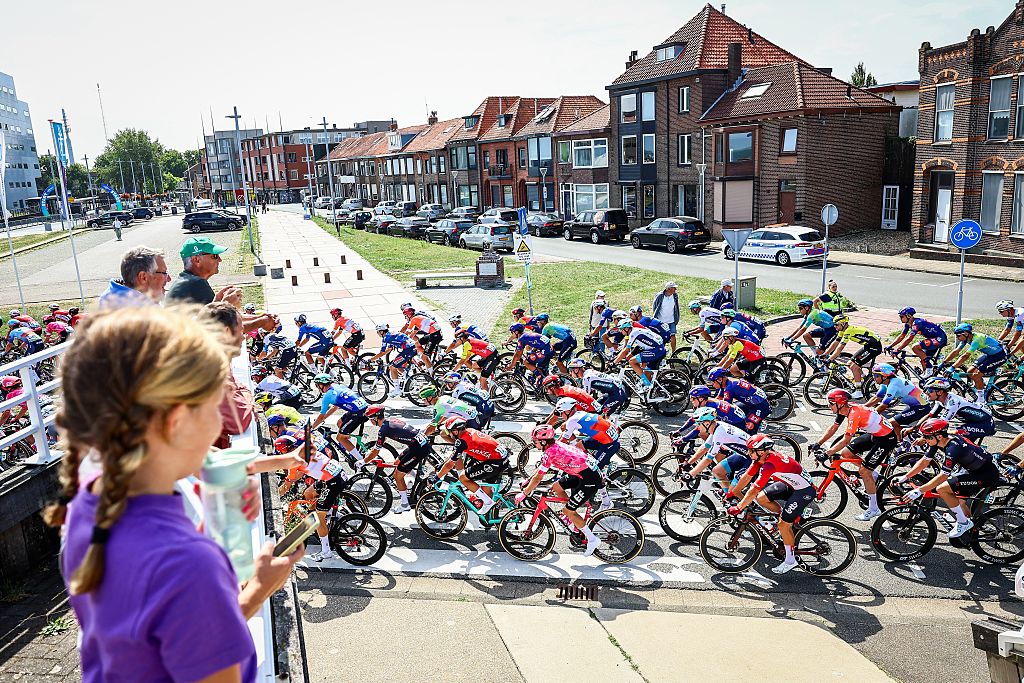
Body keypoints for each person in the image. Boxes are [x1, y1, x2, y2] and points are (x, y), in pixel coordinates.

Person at [45, 307, 301, 682]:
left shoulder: (89, 503)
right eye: (214, 407)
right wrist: (259, 589)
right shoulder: (188, 564)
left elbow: (156, 641)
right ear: (177, 421)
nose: (219, 424)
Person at [727, 434, 816, 574]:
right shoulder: (761, 459)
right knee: (761, 498)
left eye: (751, 450)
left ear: (761, 451)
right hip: (791, 484)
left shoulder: (769, 465)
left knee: (782, 524)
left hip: (804, 490)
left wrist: (739, 507)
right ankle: (786, 521)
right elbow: (747, 477)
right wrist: (734, 491)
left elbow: (752, 490)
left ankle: (790, 560)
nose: (749, 453)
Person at [898, 418, 1001, 538]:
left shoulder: (953, 449)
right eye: (924, 436)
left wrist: (920, 490)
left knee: (942, 489)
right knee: (959, 501)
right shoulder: (939, 441)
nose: (925, 440)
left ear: (939, 436)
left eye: (927, 437)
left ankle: (964, 523)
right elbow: (924, 461)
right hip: (975, 469)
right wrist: (905, 477)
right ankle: (970, 531)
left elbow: (943, 475)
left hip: (986, 474)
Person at [812, 388, 898, 522]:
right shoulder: (844, 409)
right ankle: (873, 474)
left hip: (886, 439)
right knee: (846, 453)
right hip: (875, 435)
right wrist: (818, 443)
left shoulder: (854, 414)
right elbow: (833, 428)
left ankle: (873, 508)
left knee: (864, 471)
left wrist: (827, 453)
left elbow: (846, 440)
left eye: (831, 403)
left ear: (839, 403)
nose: (829, 406)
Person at [515, 425, 602, 556]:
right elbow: (539, 472)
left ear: (544, 442)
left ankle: (592, 539)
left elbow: (539, 477)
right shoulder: (554, 446)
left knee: (568, 511)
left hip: (590, 478)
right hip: (582, 472)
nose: (534, 443)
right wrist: (528, 481)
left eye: (535, 441)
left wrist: (525, 493)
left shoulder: (550, 453)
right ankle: (572, 517)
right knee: (556, 487)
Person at [433, 417, 509, 515]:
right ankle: (489, 516)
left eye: (450, 431)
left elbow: (450, 465)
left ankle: (488, 502)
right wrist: (443, 464)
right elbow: (453, 457)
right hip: (500, 458)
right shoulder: (469, 431)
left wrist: (436, 478)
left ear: (456, 431)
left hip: (495, 462)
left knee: (463, 478)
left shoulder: (461, 442)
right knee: (486, 490)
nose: (449, 434)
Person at [363, 409, 431, 513]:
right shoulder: (390, 421)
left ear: (376, 418)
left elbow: (376, 451)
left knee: (397, 476)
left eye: (371, 419)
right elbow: (381, 443)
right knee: (397, 463)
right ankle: (415, 480)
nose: (370, 421)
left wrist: (363, 462)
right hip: (417, 444)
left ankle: (405, 504)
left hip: (419, 449)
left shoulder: (383, 430)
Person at [309, 375, 371, 464]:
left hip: (357, 413)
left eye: (317, 385)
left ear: (321, 385)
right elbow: (334, 408)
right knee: (340, 423)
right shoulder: (337, 386)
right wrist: (322, 420)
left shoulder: (328, 395)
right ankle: (350, 450)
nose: (317, 388)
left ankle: (361, 461)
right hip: (361, 409)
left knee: (340, 438)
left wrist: (312, 427)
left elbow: (321, 416)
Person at [916, 377, 996, 445]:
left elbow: (941, 424)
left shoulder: (953, 402)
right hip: (973, 423)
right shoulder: (940, 400)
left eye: (930, 390)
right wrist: (914, 428)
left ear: (940, 392)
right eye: (926, 390)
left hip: (985, 424)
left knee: (953, 438)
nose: (926, 393)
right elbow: (930, 416)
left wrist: (923, 438)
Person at [165, 237, 242, 306]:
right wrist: (228, 305)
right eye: (214, 256)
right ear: (196, 260)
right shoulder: (196, 283)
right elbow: (218, 319)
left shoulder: (186, 281)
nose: (220, 260)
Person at [942, 323, 1007, 397]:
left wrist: (953, 367)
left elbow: (965, 356)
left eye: (958, 335)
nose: (957, 338)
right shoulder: (967, 338)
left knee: (976, 375)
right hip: (990, 355)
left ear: (966, 334)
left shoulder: (976, 340)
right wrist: (944, 362)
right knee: (970, 371)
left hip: (999, 356)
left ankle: (981, 399)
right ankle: (981, 387)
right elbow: (956, 351)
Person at [824, 315, 883, 397]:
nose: (835, 326)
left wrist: (830, 359)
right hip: (868, 346)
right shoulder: (843, 330)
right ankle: (866, 380)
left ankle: (859, 392)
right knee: (849, 364)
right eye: (834, 324)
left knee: (854, 366)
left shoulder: (848, 331)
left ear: (843, 323)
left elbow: (840, 348)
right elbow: (836, 343)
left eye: (836, 324)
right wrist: (825, 354)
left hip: (874, 347)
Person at [98, 246, 171, 307]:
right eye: (164, 273)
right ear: (143, 277)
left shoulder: (110, 295)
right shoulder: (143, 314)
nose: (169, 279)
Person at [708, 368, 770, 434]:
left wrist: (715, 417)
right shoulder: (726, 383)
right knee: (736, 410)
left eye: (713, 382)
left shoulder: (729, 388)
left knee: (748, 428)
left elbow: (726, 407)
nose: (712, 385)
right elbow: (718, 399)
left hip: (761, 406)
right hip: (751, 403)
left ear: (719, 380)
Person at [864, 363, 930, 426]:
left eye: (876, 376)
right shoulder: (885, 383)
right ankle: (900, 437)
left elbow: (883, 406)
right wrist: (863, 407)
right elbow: (877, 397)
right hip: (913, 406)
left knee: (890, 424)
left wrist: (867, 417)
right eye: (874, 375)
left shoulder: (894, 384)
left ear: (884, 377)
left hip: (922, 407)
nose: (874, 378)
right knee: (894, 423)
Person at [887, 307, 947, 374]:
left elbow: (910, 338)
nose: (900, 318)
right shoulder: (908, 324)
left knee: (915, 347)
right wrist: (890, 346)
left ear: (908, 316)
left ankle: (929, 369)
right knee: (923, 359)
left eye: (901, 316)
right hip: (933, 338)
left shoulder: (916, 323)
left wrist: (898, 350)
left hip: (939, 338)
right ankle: (927, 376)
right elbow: (901, 336)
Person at [367, 323, 419, 398]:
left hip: (408, 350)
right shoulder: (390, 334)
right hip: (411, 348)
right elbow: (388, 350)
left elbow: (382, 352)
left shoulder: (385, 338)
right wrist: (376, 357)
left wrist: (371, 359)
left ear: (382, 332)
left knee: (392, 367)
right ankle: (410, 380)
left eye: (378, 331)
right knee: (396, 365)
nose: (377, 333)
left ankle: (397, 390)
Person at [652, 281, 681, 353]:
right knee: (661, 337)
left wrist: (676, 317)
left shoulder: (675, 296)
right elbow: (655, 307)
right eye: (674, 288)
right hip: (661, 321)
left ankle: (674, 352)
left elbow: (676, 307)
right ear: (668, 289)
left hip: (671, 320)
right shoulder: (660, 296)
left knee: (673, 336)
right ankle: (661, 352)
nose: (675, 290)